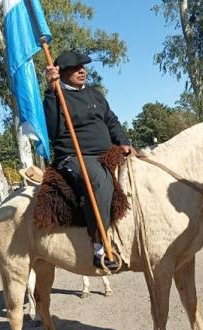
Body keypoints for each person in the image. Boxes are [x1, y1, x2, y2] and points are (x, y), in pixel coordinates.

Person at [43, 50, 134, 270]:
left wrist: (124, 141)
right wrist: (52, 92)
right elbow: (54, 131)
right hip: (74, 157)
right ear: (61, 73)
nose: (82, 71)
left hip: (106, 151)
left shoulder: (95, 94)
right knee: (100, 182)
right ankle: (99, 246)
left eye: (83, 67)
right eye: (75, 68)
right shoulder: (55, 97)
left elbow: (111, 121)